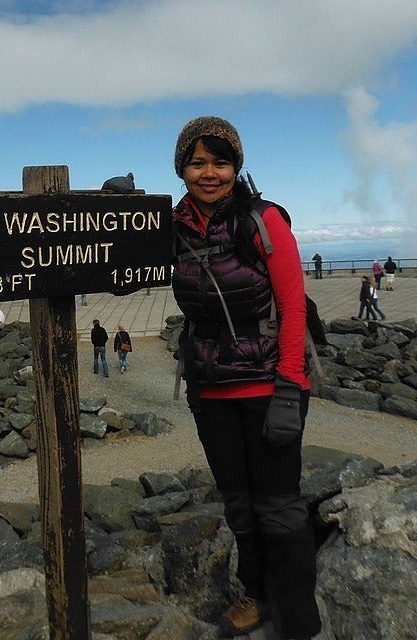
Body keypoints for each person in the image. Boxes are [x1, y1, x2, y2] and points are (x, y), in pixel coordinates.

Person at [171, 116, 321, 640]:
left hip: (267, 386)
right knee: (238, 504)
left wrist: (289, 385)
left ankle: (299, 620)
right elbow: (124, 276)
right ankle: (257, 595)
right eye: (197, 162)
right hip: (210, 388)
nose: (209, 173)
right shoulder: (171, 226)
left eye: (220, 161)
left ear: (236, 166)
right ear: (181, 168)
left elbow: (293, 305)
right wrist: (113, 218)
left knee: (278, 506)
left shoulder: (261, 220)